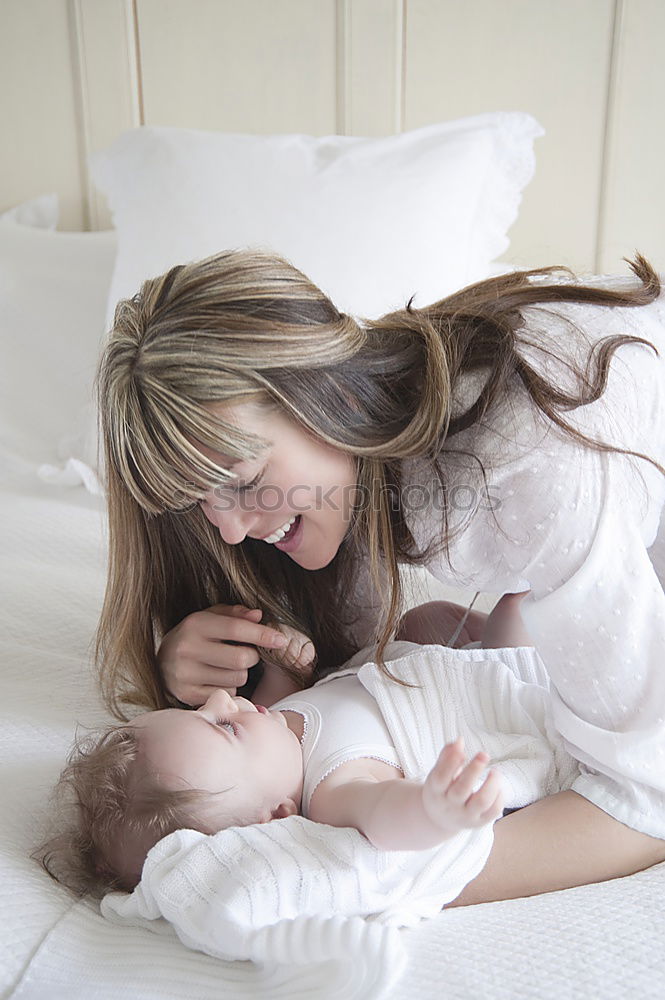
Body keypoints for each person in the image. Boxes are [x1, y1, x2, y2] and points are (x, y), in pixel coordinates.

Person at [93, 247, 665, 904]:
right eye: (199, 499)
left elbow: (647, 794)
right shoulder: (362, 466)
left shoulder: (522, 475)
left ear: (329, 393)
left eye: (244, 482)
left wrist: (380, 878)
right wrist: (191, 663)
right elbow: (349, 673)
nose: (225, 528)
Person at [36, 592, 558, 898]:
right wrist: (432, 808)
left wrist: (290, 661)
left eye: (200, 711)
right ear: (277, 817)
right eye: (225, 727)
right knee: (521, 604)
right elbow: (382, 814)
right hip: (505, 696)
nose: (222, 699)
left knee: (423, 620)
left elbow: (297, 688)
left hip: (424, 665)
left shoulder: (273, 731)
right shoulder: (334, 786)